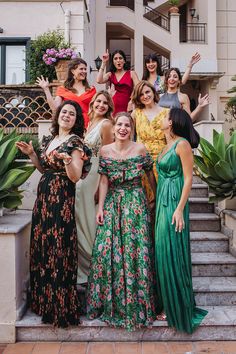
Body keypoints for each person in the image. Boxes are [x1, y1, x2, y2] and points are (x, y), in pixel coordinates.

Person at [16, 100, 91, 328]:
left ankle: (60, 306)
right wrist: (32, 154)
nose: (67, 116)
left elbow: (75, 177)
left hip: (61, 200)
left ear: (77, 120)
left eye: (72, 114)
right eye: (64, 112)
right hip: (44, 199)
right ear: (58, 115)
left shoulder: (75, 143)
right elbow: (44, 169)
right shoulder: (50, 140)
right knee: (44, 247)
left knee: (58, 248)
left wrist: (68, 161)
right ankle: (44, 302)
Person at [87, 112, 157, 330]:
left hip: (135, 204)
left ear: (132, 128)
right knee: (105, 250)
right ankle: (110, 304)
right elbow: (104, 180)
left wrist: (156, 200)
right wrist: (100, 208)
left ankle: (137, 306)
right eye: (119, 124)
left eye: (127, 125)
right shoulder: (105, 150)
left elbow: (150, 177)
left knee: (136, 252)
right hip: (112, 203)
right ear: (114, 126)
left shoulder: (141, 149)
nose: (123, 128)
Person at [155, 108, 208, 333]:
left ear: (173, 122)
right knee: (161, 250)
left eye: (166, 117)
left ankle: (176, 307)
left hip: (175, 199)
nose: (162, 119)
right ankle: (167, 303)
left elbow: (188, 179)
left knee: (171, 250)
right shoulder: (167, 145)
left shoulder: (183, 144)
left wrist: (179, 209)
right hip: (161, 199)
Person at [75, 90, 114, 285]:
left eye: (105, 103)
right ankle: (85, 268)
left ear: (109, 107)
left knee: (89, 222)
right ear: (92, 104)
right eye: (98, 101)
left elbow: (107, 156)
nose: (101, 105)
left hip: (95, 174)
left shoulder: (106, 124)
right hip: (83, 174)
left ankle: (98, 267)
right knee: (80, 220)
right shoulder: (89, 123)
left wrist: (101, 185)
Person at [131, 80, 169, 202]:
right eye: (141, 94)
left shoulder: (167, 112)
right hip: (142, 160)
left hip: (162, 159)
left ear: (153, 92)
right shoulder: (136, 113)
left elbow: (171, 138)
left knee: (163, 197)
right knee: (146, 199)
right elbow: (130, 138)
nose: (145, 96)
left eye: (147, 92)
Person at [36, 58, 96, 128]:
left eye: (85, 69)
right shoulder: (63, 89)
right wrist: (46, 89)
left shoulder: (91, 89)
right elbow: (55, 107)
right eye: (81, 69)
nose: (84, 71)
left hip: (88, 125)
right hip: (70, 124)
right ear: (73, 71)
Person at [97, 49, 139, 116]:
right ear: (113, 62)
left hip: (128, 107)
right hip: (113, 108)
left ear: (124, 60)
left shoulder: (131, 73)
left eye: (120, 58)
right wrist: (104, 62)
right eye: (115, 59)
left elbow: (139, 88)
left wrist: (132, 101)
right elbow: (99, 80)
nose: (118, 60)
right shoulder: (110, 74)